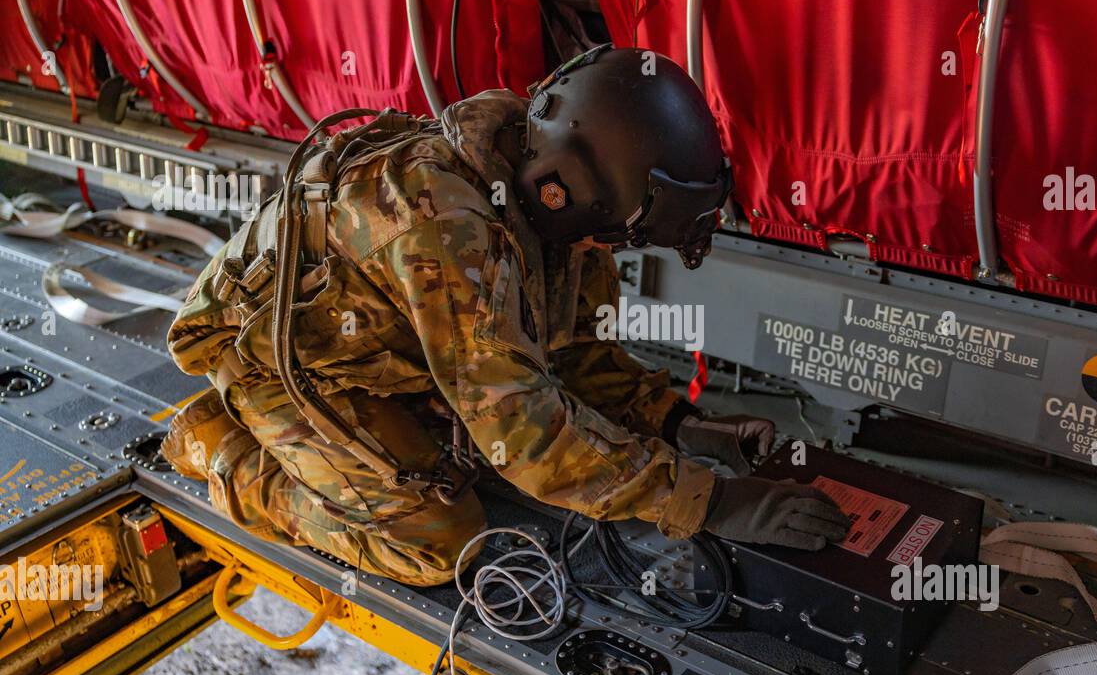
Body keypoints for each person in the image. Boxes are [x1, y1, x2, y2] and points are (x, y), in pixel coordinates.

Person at [162, 45, 849, 586]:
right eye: (615, 238)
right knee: (438, 540)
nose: (608, 255)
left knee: (503, 455)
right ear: (564, 195)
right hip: (279, 362)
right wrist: (711, 502)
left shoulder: (549, 189)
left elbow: (578, 357)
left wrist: (684, 426)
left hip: (382, 349)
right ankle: (219, 447)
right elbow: (527, 440)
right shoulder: (444, 228)